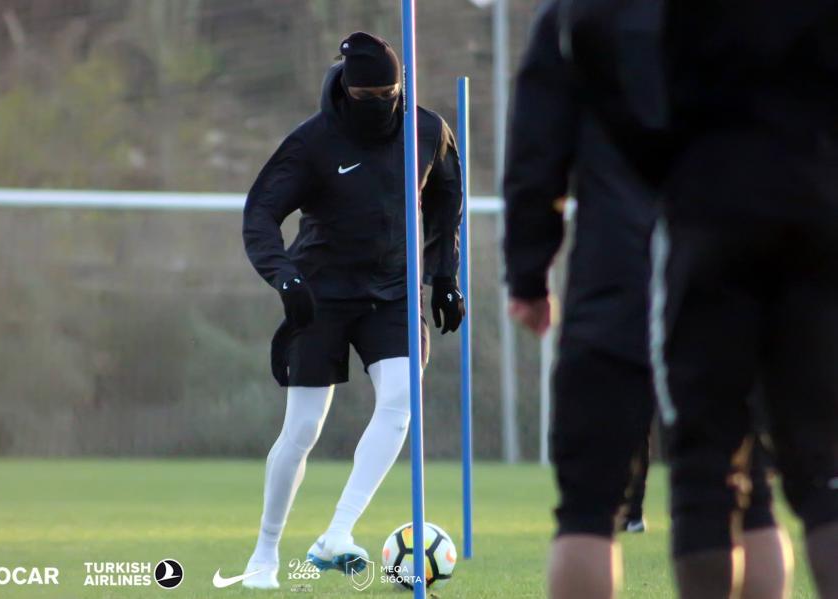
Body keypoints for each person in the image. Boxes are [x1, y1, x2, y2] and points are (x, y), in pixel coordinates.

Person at [503, 2, 790, 598]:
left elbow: (535, 157)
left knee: (586, 511)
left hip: (616, 281)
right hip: (726, 279)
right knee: (749, 493)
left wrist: (528, 275)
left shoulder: (575, 17)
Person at [561, 0, 838, 597]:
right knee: (825, 470)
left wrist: (652, 155)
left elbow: (588, 26)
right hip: (817, 211)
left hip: (710, 213)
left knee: (703, 470)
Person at [239, 31, 465, 590]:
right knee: (302, 429)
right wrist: (284, 275)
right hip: (320, 291)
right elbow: (260, 213)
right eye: (367, 97)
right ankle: (264, 552)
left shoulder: (426, 131)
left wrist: (444, 276)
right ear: (346, 88)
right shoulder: (313, 142)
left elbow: (447, 201)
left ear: (401, 89)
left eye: (389, 95)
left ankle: (337, 533)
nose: (379, 105)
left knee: (401, 403)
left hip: (393, 292)